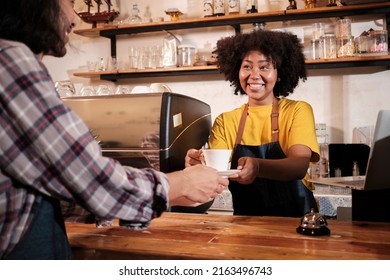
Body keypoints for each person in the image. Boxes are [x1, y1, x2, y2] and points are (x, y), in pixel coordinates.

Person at [0, 0, 228, 260]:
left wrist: (171, 195)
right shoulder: (10, 61)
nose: (76, 18)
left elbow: (58, 193)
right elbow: (92, 179)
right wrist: (181, 183)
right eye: (71, 3)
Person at [186, 29, 320, 217]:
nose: (254, 75)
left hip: (297, 223)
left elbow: (298, 166)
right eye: (247, 66)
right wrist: (197, 167)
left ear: (279, 73)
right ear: (237, 71)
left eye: (264, 67)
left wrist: (257, 167)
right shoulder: (226, 121)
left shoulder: (297, 110)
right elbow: (216, 176)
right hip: (245, 226)